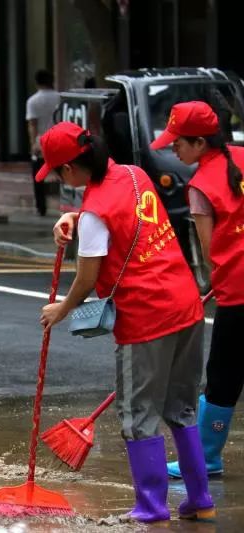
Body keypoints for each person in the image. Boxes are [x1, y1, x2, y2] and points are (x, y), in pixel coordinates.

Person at [38, 122, 213, 523]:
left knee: (138, 416)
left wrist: (61, 309)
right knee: (182, 409)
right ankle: (200, 500)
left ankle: (151, 508)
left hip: (146, 315)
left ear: (69, 170)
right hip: (186, 305)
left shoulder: (95, 212)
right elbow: (125, 214)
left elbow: (86, 277)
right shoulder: (134, 174)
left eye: (58, 172)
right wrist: (76, 217)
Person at [149, 101, 244, 482]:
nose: (173, 149)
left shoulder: (201, 186)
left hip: (238, 288)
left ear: (200, 143)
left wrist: (212, 282)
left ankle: (206, 457)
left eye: (178, 143)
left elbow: (208, 251)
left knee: (223, 373)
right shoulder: (240, 156)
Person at [25, 69, 60, 216]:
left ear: (37, 82)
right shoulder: (60, 98)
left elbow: (32, 123)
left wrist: (33, 142)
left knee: (38, 174)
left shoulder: (33, 101)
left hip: (42, 141)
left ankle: (41, 207)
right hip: (59, 138)